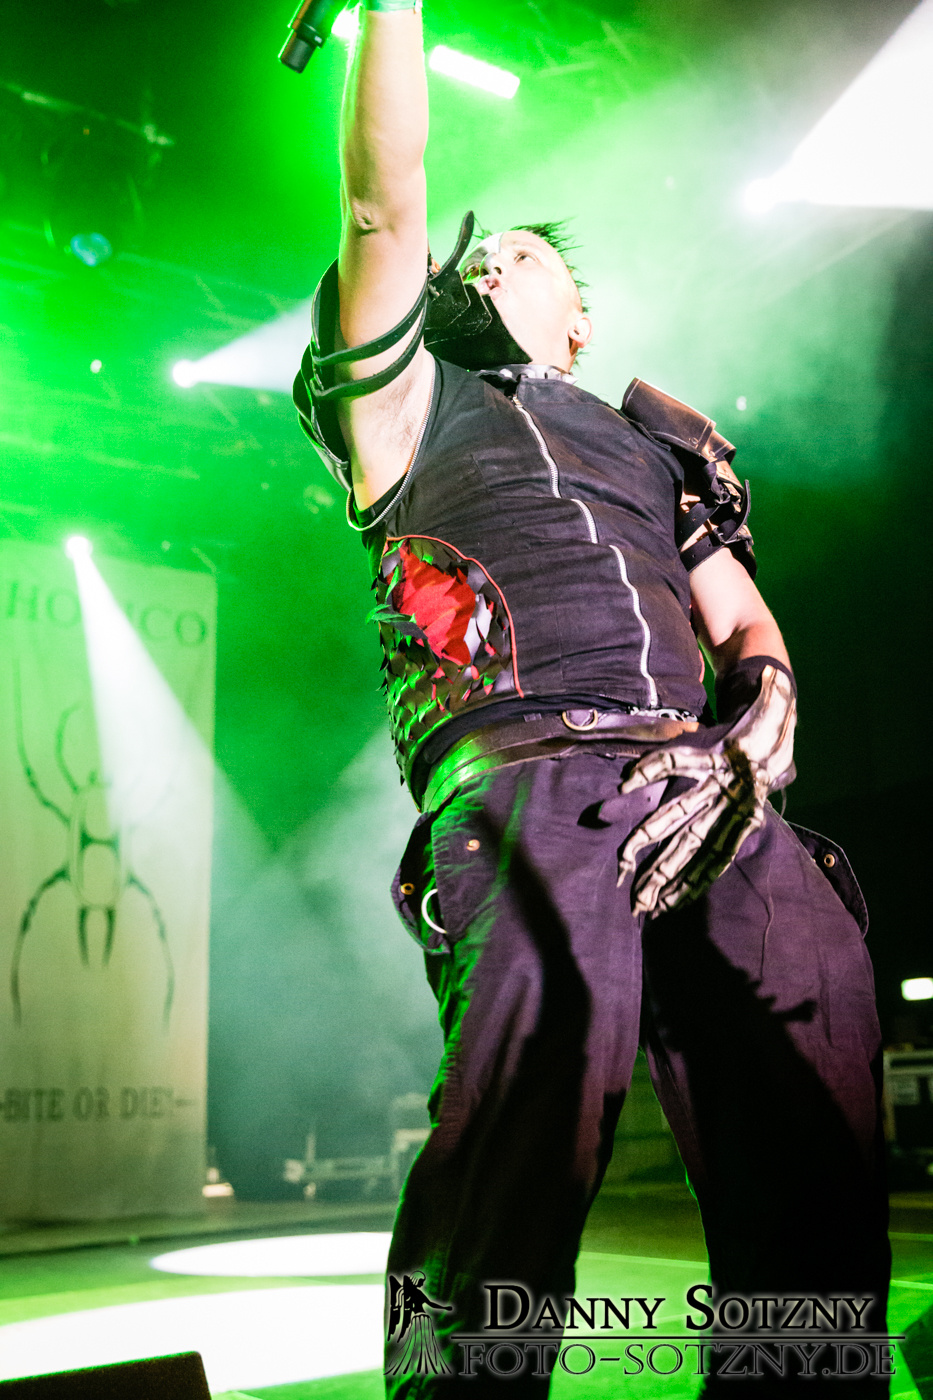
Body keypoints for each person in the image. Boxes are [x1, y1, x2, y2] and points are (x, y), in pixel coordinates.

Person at [292, 3, 891, 1394]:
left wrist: (765, 708)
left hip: (708, 785)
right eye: (479, 251)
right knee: (518, 1139)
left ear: (580, 315)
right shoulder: (405, 404)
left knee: (813, 1119)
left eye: (522, 252)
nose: (487, 258)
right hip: (527, 778)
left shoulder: (654, 446)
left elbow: (740, 618)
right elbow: (384, 206)